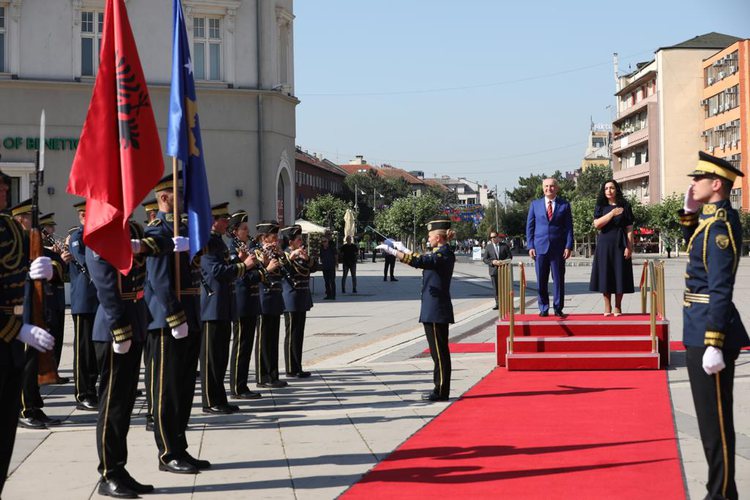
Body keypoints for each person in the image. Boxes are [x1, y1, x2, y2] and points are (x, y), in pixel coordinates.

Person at [679, 151, 749, 500]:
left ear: (716, 184)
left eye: (698, 179)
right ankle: (720, 491)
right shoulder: (710, 220)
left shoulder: (721, 227)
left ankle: (721, 495)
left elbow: (721, 286)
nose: (692, 183)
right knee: (708, 424)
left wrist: (714, 342)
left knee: (716, 424)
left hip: (709, 329)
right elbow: (694, 243)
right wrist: (688, 212)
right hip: (696, 327)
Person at [144, 174, 212, 473]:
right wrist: (175, 316)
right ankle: (167, 452)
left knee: (184, 390)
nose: (185, 198)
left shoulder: (184, 230)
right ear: (164, 197)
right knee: (167, 390)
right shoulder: (158, 232)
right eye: (179, 193)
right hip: (168, 322)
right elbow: (159, 281)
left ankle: (180, 447)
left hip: (190, 316)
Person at [85, 218, 158, 497]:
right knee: (112, 404)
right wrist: (118, 326)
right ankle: (108, 473)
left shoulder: (134, 228)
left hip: (136, 319)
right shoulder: (101, 232)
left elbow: (160, 246)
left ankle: (119, 467)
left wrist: (142, 244)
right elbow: (104, 283)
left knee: (125, 404)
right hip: (115, 328)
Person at [0, 169, 55, 495]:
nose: (5, 191)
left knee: (5, 435)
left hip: (8, 349)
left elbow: (30, 256)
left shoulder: (8, 226)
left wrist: (43, 268)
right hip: (9, 334)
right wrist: (17, 329)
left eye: (6, 186)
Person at [377, 216, 455, 402]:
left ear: (439, 237)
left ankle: (441, 390)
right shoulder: (439, 252)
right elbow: (422, 259)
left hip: (437, 310)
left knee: (440, 353)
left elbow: (421, 262)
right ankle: (439, 388)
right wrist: (404, 249)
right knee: (437, 353)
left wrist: (394, 252)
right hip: (432, 308)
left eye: (430, 236)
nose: (428, 239)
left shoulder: (444, 253)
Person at [199, 202, 256, 414]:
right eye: (224, 219)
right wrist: (244, 265)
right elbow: (215, 271)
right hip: (211, 306)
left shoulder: (218, 242)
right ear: (215, 221)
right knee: (211, 358)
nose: (227, 223)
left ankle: (219, 398)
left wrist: (238, 262)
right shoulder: (207, 242)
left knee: (220, 357)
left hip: (223, 305)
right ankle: (209, 401)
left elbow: (225, 268)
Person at [10, 199, 62, 429]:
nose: (37, 224)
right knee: (25, 359)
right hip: (21, 307)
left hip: (38, 304)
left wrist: (52, 269)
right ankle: (23, 408)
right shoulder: (12, 241)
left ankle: (34, 404)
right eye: (32, 219)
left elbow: (56, 262)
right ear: (21, 219)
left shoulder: (34, 241)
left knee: (35, 359)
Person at [227, 210, 263, 401]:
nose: (247, 232)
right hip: (241, 302)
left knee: (247, 345)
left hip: (251, 301)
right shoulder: (233, 250)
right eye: (243, 229)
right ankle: (237, 387)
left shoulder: (244, 248)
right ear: (234, 231)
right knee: (241, 345)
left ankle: (242, 385)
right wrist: (256, 269)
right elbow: (240, 276)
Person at [67, 201, 100, 411]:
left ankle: (93, 389)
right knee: (83, 350)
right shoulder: (78, 238)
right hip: (83, 301)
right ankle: (82, 393)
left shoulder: (97, 237)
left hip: (97, 300)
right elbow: (89, 263)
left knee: (96, 349)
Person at [526, 178, 574, 317]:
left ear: (557, 188)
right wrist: (530, 246)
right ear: (543, 188)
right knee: (541, 279)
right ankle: (543, 307)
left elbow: (569, 228)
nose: (549, 188)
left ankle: (558, 307)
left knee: (558, 279)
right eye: (546, 186)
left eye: (552, 186)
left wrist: (568, 245)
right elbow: (530, 227)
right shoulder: (535, 205)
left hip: (558, 249)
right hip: (539, 248)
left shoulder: (564, 205)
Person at [589, 180, 635, 316]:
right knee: (605, 274)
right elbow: (597, 224)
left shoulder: (625, 206)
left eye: (612, 188)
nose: (609, 190)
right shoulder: (600, 206)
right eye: (606, 188)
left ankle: (618, 307)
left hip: (620, 244)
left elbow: (629, 228)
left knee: (620, 274)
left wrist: (629, 246)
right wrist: (612, 213)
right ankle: (607, 307)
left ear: (617, 190)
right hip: (604, 244)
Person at [254, 220, 286, 388]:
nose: (276, 240)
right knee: (264, 338)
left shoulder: (276, 252)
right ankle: (262, 376)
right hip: (263, 298)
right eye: (273, 237)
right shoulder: (257, 252)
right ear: (264, 238)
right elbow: (258, 273)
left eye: (277, 237)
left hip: (275, 297)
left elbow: (285, 270)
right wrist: (268, 264)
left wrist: (280, 254)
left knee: (273, 338)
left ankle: (273, 374)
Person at [280, 225, 313, 379]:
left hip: (302, 297)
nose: (301, 242)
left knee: (299, 334)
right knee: (292, 334)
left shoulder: (302, 254)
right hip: (291, 298)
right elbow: (289, 272)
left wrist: (307, 259)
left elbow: (313, 268)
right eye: (299, 239)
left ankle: (298, 366)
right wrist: (292, 258)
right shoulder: (286, 255)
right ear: (291, 241)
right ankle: (291, 368)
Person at [482, 231, 512, 310]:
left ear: (498, 237)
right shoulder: (488, 247)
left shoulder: (504, 246)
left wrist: (502, 262)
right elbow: (485, 259)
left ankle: (507, 303)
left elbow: (510, 257)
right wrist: (492, 262)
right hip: (493, 270)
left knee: (505, 287)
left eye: (494, 237)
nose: (493, 239)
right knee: (496, 288)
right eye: (491, 237)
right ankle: (498, 303)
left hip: (503, 269)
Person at [319, 234, 337, 300]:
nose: (324, 242)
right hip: (325, 267)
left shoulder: (332, 247)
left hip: (331, 266)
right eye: (323, 241)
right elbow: (321, 256)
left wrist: (336, 264)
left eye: (325, 241)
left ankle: (333, 295)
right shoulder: (321, 248)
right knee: (326, 281)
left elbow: (335, 255)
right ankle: (328, 294)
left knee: (332, 281)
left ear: (327, 241)